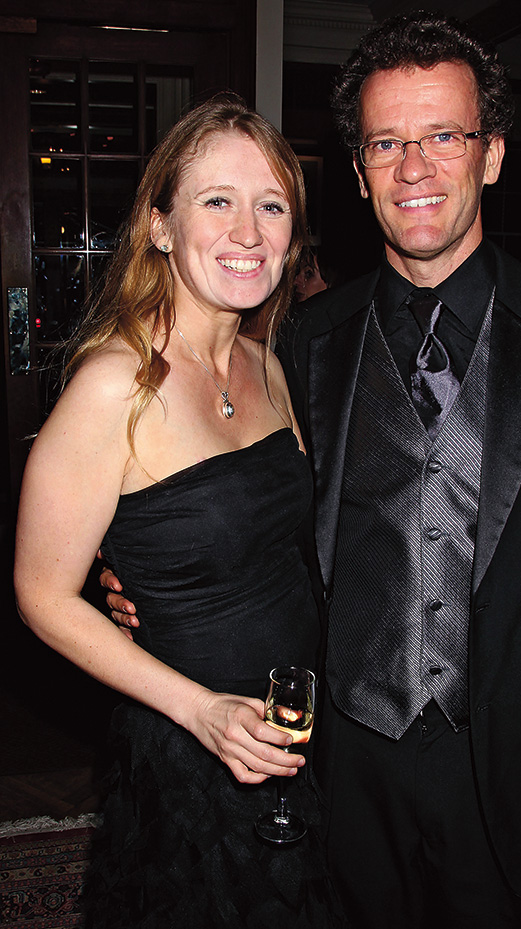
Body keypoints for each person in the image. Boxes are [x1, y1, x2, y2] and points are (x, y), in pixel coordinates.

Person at [102, 12, 521, 928]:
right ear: (357, 169)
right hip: (344, 761)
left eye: (444, 137)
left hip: (518, 763)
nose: (413, 168)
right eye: (386, 143)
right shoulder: (303, 339)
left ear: (492, 155)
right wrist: (144, 572)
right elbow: (252, 502)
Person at [13, 93, 345, 929]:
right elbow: (41, 594)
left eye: (272, 206)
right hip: (192, 751)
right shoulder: (112, 385)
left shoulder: (269, 364)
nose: (248, 231)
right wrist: (202, 711)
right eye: (217, 201)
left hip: (295, 735)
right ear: (160, 226)